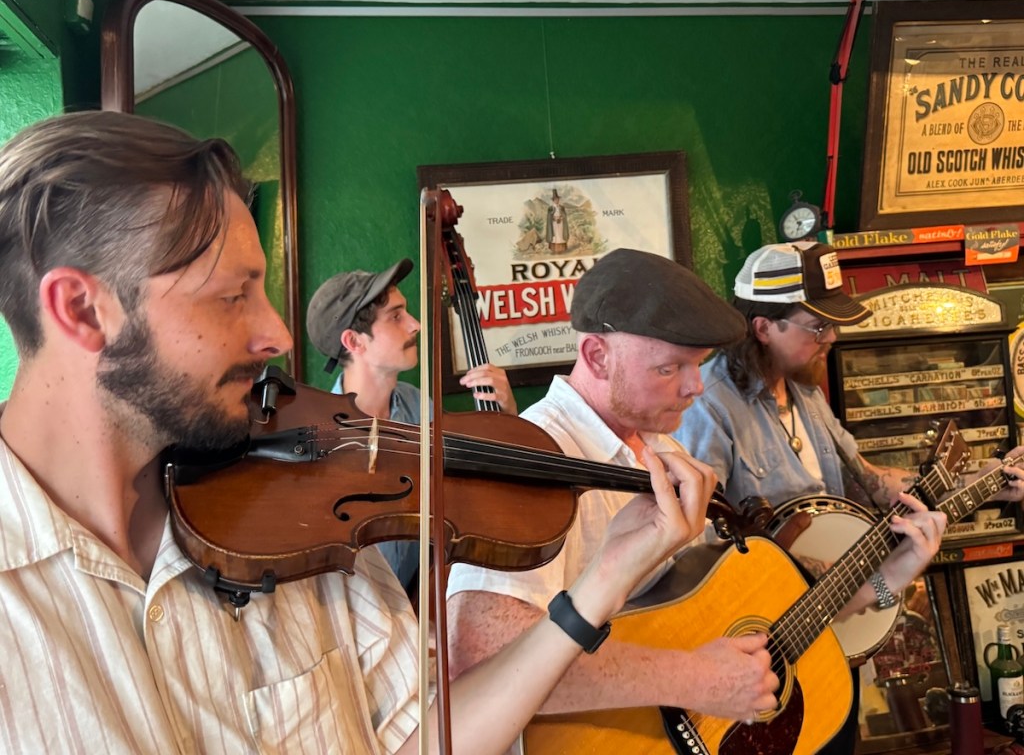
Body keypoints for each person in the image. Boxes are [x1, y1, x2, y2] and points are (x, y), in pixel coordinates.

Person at [0, 110, 723, 755]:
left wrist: (602, 583)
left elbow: (424, 737)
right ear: (82, 311)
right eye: (231, 296)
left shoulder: (305, 517)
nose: (278, 335)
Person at [673, 239, 1024, 751]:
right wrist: (797, 569)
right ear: (763, 327)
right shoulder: (710, 407)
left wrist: (982, 480)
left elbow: (869, 478)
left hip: (830, 637)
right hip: (766, 654)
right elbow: (696, 545)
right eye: (818, 327)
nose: (832, 338)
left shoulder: (805, 394)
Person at [447, 248, 782, 731]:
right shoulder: (535, 457)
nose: (696, 387)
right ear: (598, 357)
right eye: (669, 368)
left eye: (698, 365)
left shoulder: (660, 446)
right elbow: (480, 658)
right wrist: (693, 679)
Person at [306, 260, 517, 593]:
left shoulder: (417, 405)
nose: (415, 325)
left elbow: (471, 487)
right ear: (354, 341)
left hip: (419, 603)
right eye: (395, 316)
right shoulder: (320, 437)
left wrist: (505, 416)